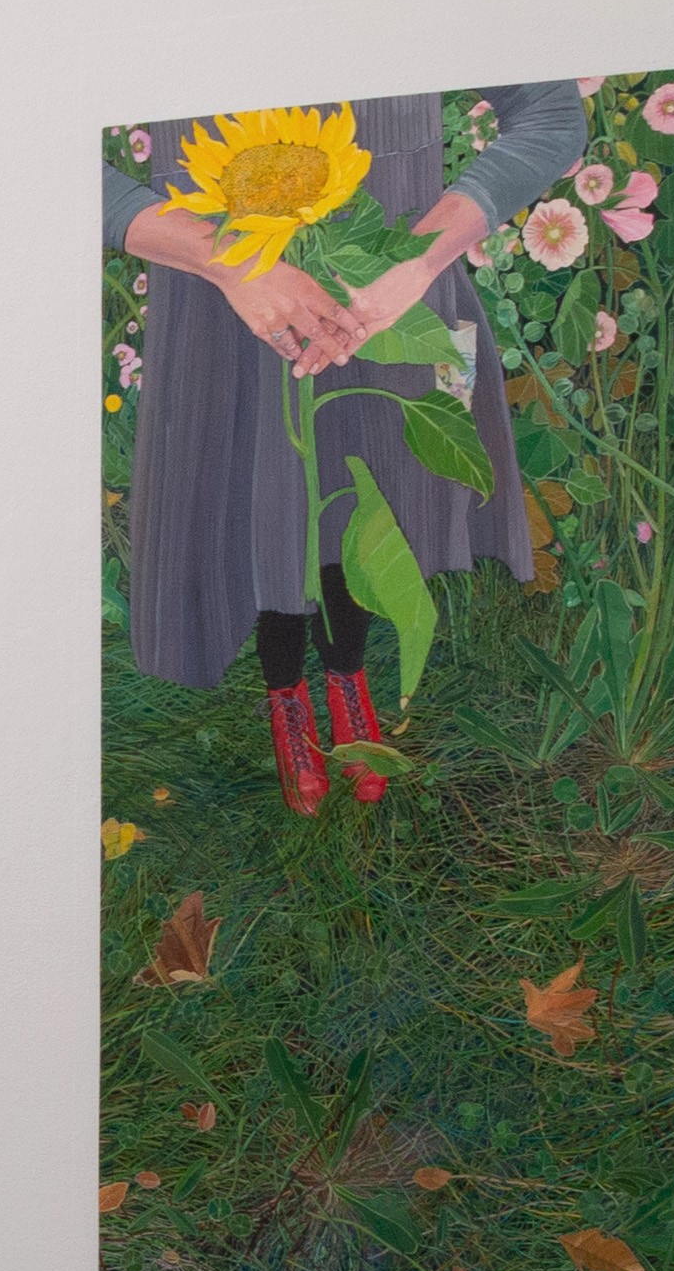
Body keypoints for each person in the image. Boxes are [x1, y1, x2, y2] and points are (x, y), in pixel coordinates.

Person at [103, 90, 562, 814]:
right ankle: (284, 694)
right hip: (222, 302)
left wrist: (420, 259)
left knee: (368, 479)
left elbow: (552, 114)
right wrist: (229, 263)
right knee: (263, 493)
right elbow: (40, 157)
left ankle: (347, 676)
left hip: (387, 285)